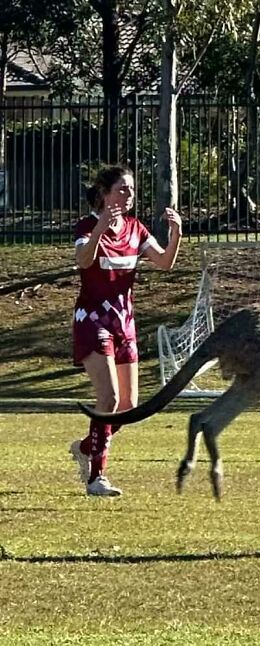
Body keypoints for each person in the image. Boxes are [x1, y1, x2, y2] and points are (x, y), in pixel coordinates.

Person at [69, 165, 182, 497]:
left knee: (129, 406)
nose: (129, 195)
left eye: (131, 190)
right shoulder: (87, 225)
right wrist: (102, 225)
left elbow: (165, 263)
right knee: (109, 398)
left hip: (124, 321)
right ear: (105, 194)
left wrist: (176, 235)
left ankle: (86, 447)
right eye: (122, 189)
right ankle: (96, 477)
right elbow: (83, 260)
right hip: (92, 320)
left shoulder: (135, 228)